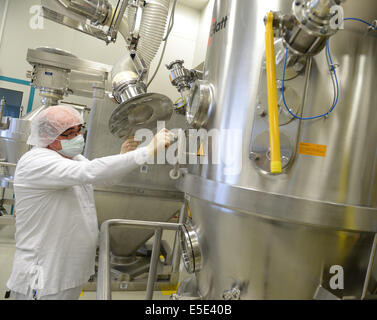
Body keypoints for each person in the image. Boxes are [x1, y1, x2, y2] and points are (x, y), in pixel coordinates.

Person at [6, 104, 174, 300]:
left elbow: (103, 179)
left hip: (68, 272)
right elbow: (91, 171)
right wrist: (147, 151)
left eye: (79, 130)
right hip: (43, 275)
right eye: (69, 133)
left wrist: (123, 157)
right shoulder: (35, 161)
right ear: (47, 137)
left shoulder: (73, 158)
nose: (78, 137)